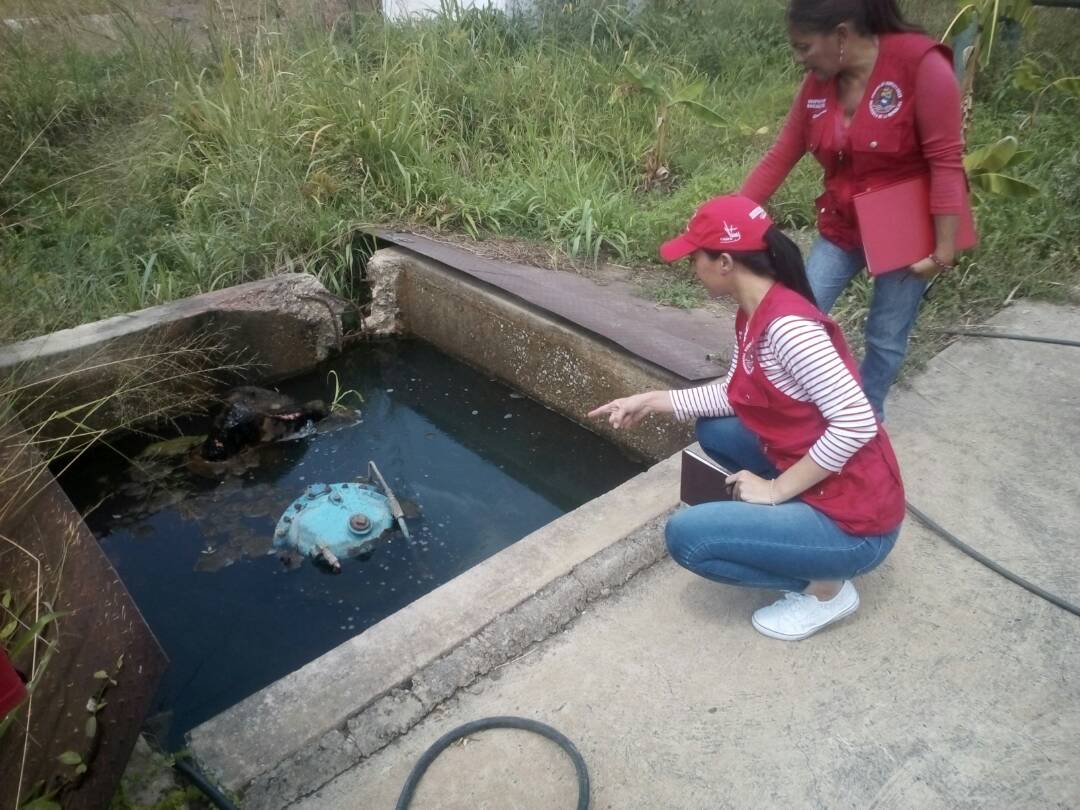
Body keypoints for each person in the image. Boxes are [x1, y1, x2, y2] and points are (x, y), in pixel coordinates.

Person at [589, 195, 905, 641]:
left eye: (694, 256)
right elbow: (739, 393)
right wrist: (654, 400)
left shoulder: (789, 329)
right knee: (715, 430)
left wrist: (776, 490)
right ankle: (801, 530)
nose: (690, 265)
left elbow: (857, 421)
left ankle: (825, 590)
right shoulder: (755, 310)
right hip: (828, 484)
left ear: (723, 262)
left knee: (688, 539)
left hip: (857, 524)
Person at [740, 0, 969, 418]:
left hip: (905, 232)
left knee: (885, 335)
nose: (799, 58)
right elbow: (780, 155)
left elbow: (946, 163)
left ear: (842, 35)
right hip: (842, 225)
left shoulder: (922, 67)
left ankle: (867, 420)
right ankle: (786, 412)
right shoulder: (818, 83)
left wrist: (943, 250)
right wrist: (730, 218)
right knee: (793, 316)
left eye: (805, 46)